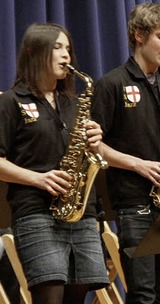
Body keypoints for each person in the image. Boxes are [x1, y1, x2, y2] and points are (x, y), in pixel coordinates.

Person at [91, 3, 160, 303]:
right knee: (142, 294)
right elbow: (95, 145)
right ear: (139, 35)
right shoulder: (111, 84)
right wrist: (139, 165)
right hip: (134, 203)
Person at [0, 23, 109, 303]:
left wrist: (94, 144)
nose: (66, 56)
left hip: (80, 213)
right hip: (37, 213)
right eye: (57, 48)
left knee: (77, 297)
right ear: (34, 52)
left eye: (68, 49)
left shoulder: (73, 103)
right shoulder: (11, 102)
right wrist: (39, 178)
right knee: (49, 297)